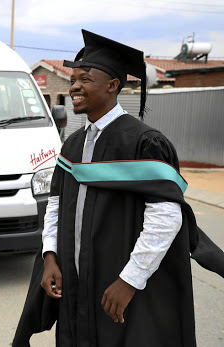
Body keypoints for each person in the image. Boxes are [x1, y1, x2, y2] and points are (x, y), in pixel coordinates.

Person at [13, 29, 224, 347]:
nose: (75, 87)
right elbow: (55, 204)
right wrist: (50, 257)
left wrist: (130, 279)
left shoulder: (143, 142)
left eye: (85, 79)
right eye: (73, 80)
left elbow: (166, 218)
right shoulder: (73, 144)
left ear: (112, 85)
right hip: (76, 282)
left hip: (122, 283)